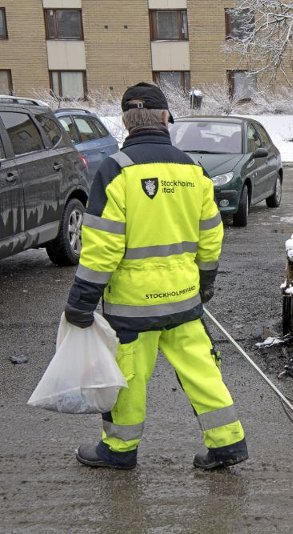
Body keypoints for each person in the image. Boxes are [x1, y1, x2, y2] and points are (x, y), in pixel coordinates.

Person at [64, 82, 247, 470]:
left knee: (128, 377)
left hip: (132, 306)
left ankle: (119, 450)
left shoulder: (116, 170)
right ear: (166, 118)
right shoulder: (192, 169)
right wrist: (206, 281)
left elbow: (103, 247)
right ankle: (227, 443)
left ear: (126, 122)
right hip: (184, 298)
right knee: (201, 370)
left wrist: (82, 299)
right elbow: (211, 233)